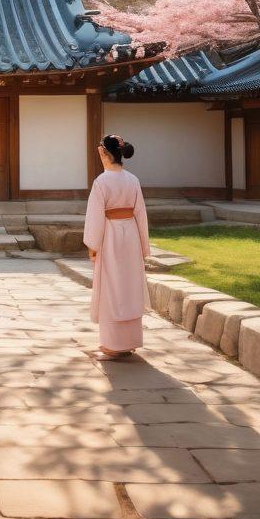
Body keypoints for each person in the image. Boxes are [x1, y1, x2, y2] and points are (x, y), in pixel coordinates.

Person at [83, 134, 150, 360]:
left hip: (110, 236)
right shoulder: (133, 179)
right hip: (130, 235)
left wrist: (93, 244)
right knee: (129, 285)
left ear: (103, 152)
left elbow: (95, 216)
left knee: (112, 287)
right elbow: (140, 213)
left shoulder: (101, 182)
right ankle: (129, 342)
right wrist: (143, 245)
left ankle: (113, 344)